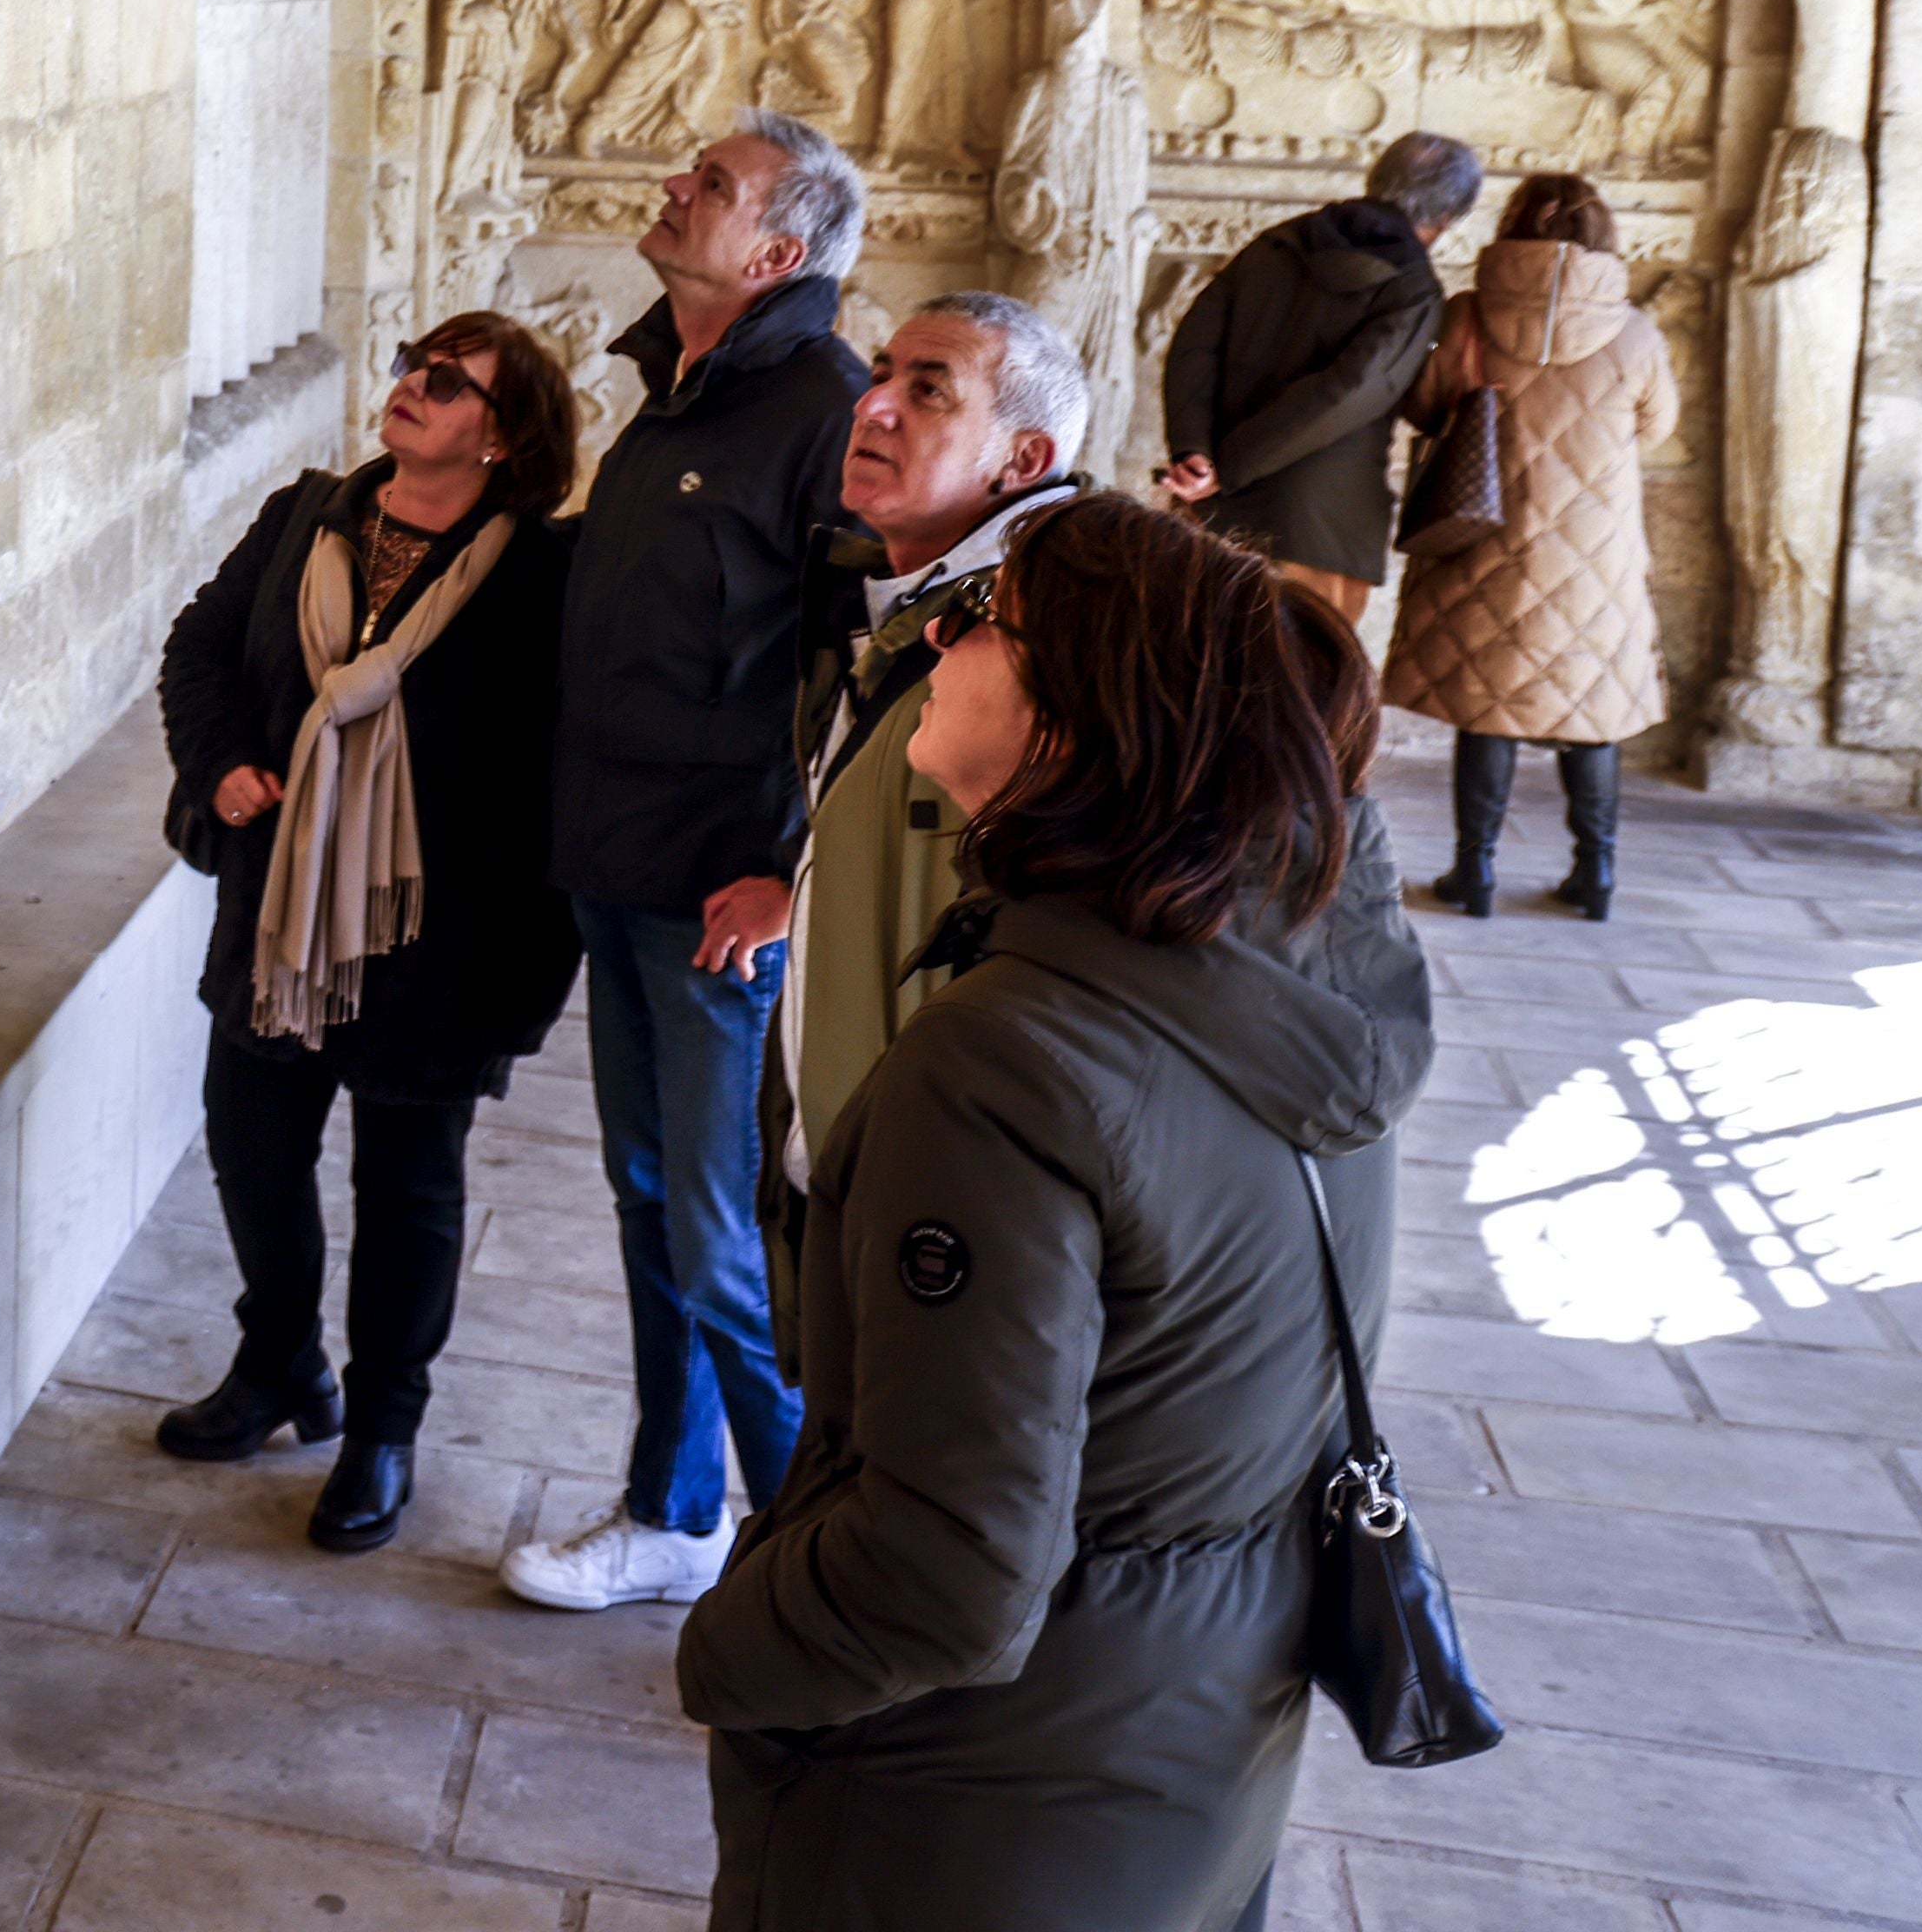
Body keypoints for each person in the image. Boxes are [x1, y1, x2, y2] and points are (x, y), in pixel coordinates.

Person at [676, 497, 1436, 1929]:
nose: (941, 643)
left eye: (986, 620)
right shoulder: (1289, 984)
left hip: (970, 1806)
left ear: (1072, 720)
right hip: (1187, 1740)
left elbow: (944, 1572)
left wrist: (730, 1652)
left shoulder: (1006, 1069)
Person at [499, 116, 872, 1613]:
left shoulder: (822, 410)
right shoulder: (674, 389)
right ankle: (674, 1508)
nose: (672, 189)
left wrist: (788, 868)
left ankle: (812, 1572)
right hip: (617, 859)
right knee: (647, 1195)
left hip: (724, 892)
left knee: (724, 1242)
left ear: (775, 250)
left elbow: (862, 668)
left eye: (707, 187)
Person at [155, 316, 584, 1554]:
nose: (410, 389)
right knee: (251, 1153)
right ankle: (282, 1366)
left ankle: (385, 1428)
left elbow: (550, 767)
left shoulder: (540, 576)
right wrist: (225, 760)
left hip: (431, 940)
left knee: (406, 1194)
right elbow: (199, 645)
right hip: (278, 916)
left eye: (447, 384)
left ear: (500, 438)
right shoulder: (310, 517)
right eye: (412, 364)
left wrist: (528, 959)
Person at [754, 294, 1091, 1321]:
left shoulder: (1043, 650)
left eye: (928, 388)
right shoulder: (887, 602)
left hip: (942, 1228)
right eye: (884, 370)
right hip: (849, 1168)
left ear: (1021, 458)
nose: (874, 404)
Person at [1387, 174, 1676, 921]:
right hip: (1595, 554)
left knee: (1488, 705)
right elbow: (1659, 426)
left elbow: (1423, 406)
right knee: (1593, 710)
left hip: (1487, 540)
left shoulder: (1466, 320)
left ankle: (1474, 872)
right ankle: (1596, 875)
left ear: (1511, 228)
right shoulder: (1636, 333)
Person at [1157, 129, 1480, 628]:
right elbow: (1345, 395)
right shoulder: (1415, 292)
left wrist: (1195, 454)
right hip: (1318, 534)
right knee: (1299, 697)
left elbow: (1195, 345)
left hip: (1209, 517)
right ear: (1446, 219)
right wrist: (1228, 466)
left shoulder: (1278, 242)